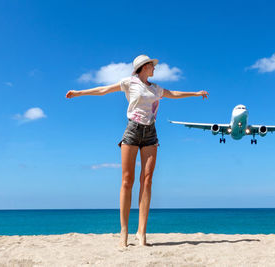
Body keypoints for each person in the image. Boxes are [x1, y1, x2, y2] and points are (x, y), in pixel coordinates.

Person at [66, 55, 208, 247]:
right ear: (143, 67)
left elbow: (173, 93)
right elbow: (103, 90)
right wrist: (79, 92)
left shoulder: (155, 88)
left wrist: (196, 93)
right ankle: (124, 231)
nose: (154, 68)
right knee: (127, 181)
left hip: (151, 133)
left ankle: (142, 232)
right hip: (132, 131)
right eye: (152, 66)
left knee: (147, 180)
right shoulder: (129, 82)